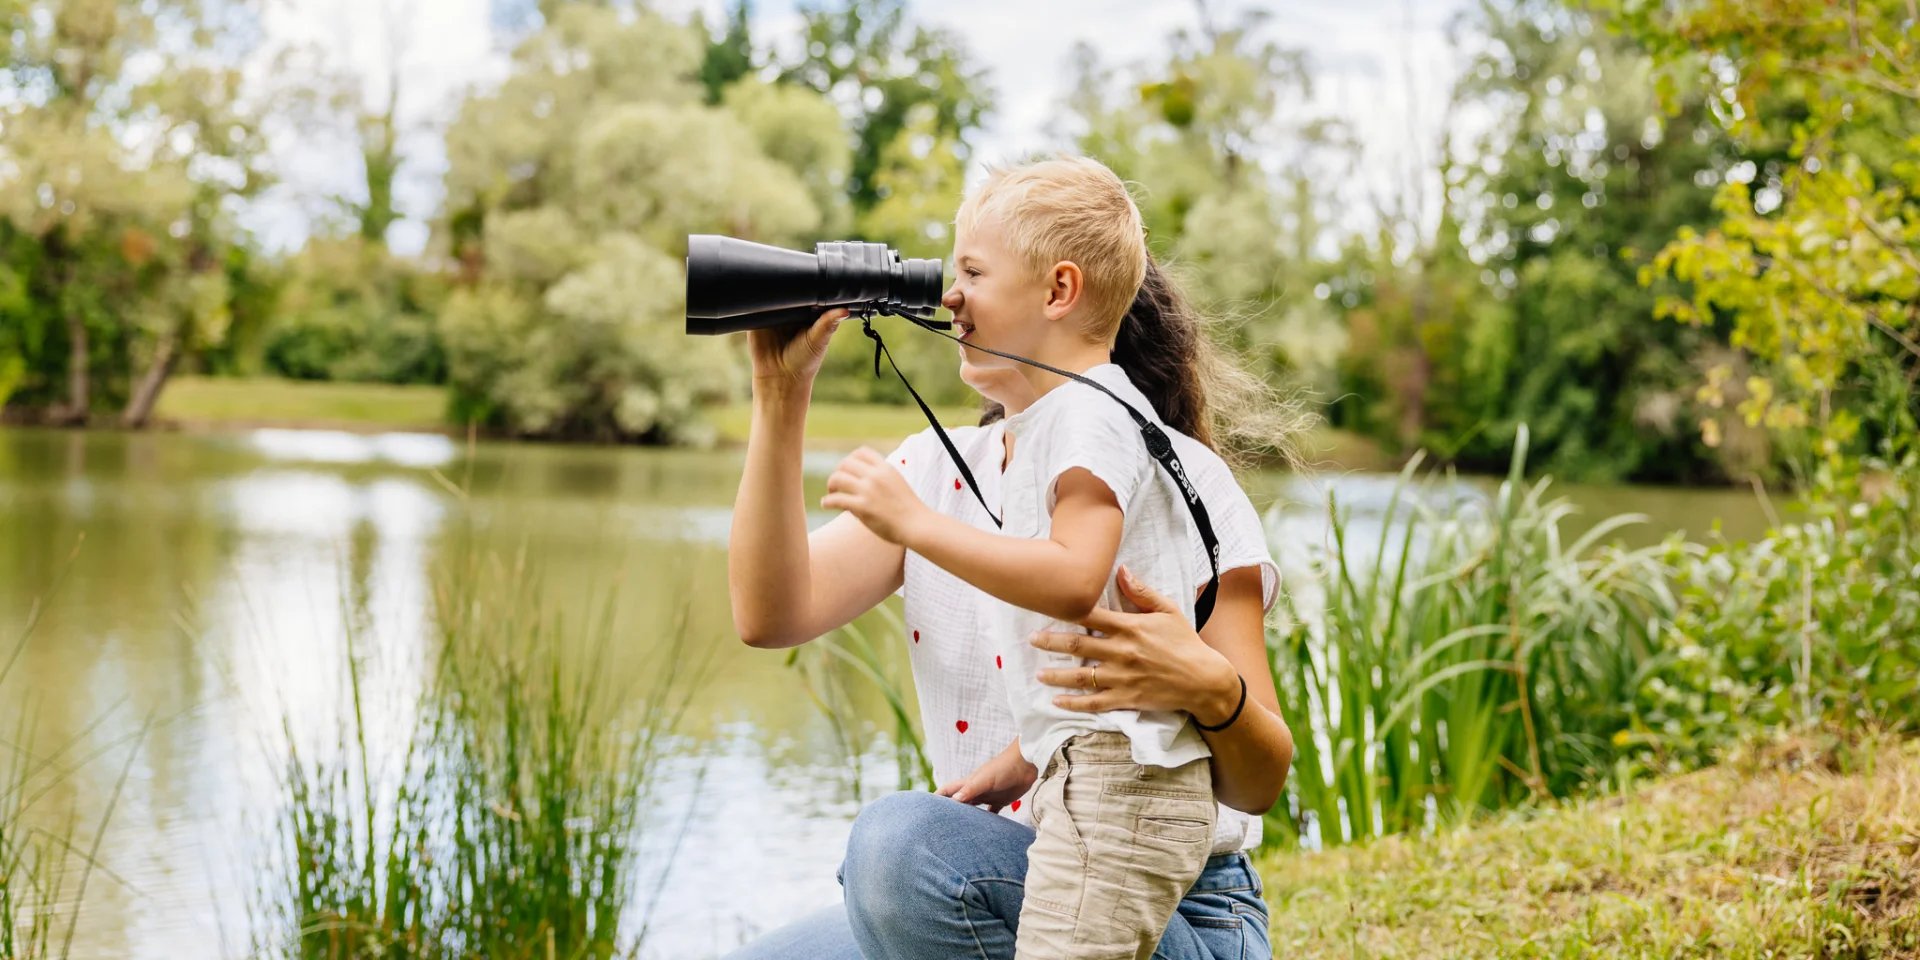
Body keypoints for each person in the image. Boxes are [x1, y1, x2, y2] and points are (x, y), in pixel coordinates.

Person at [727, 157, 1297, 960]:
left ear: (1058, 292)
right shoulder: (934, 471)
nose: (949, 295)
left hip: (1173, 901)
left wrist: (1208, 688)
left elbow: (1261, 783)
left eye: (972, 272)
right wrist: (779, 395)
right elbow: (769, 614)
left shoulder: (1179, 480)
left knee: (897, 848)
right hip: (994, 876)